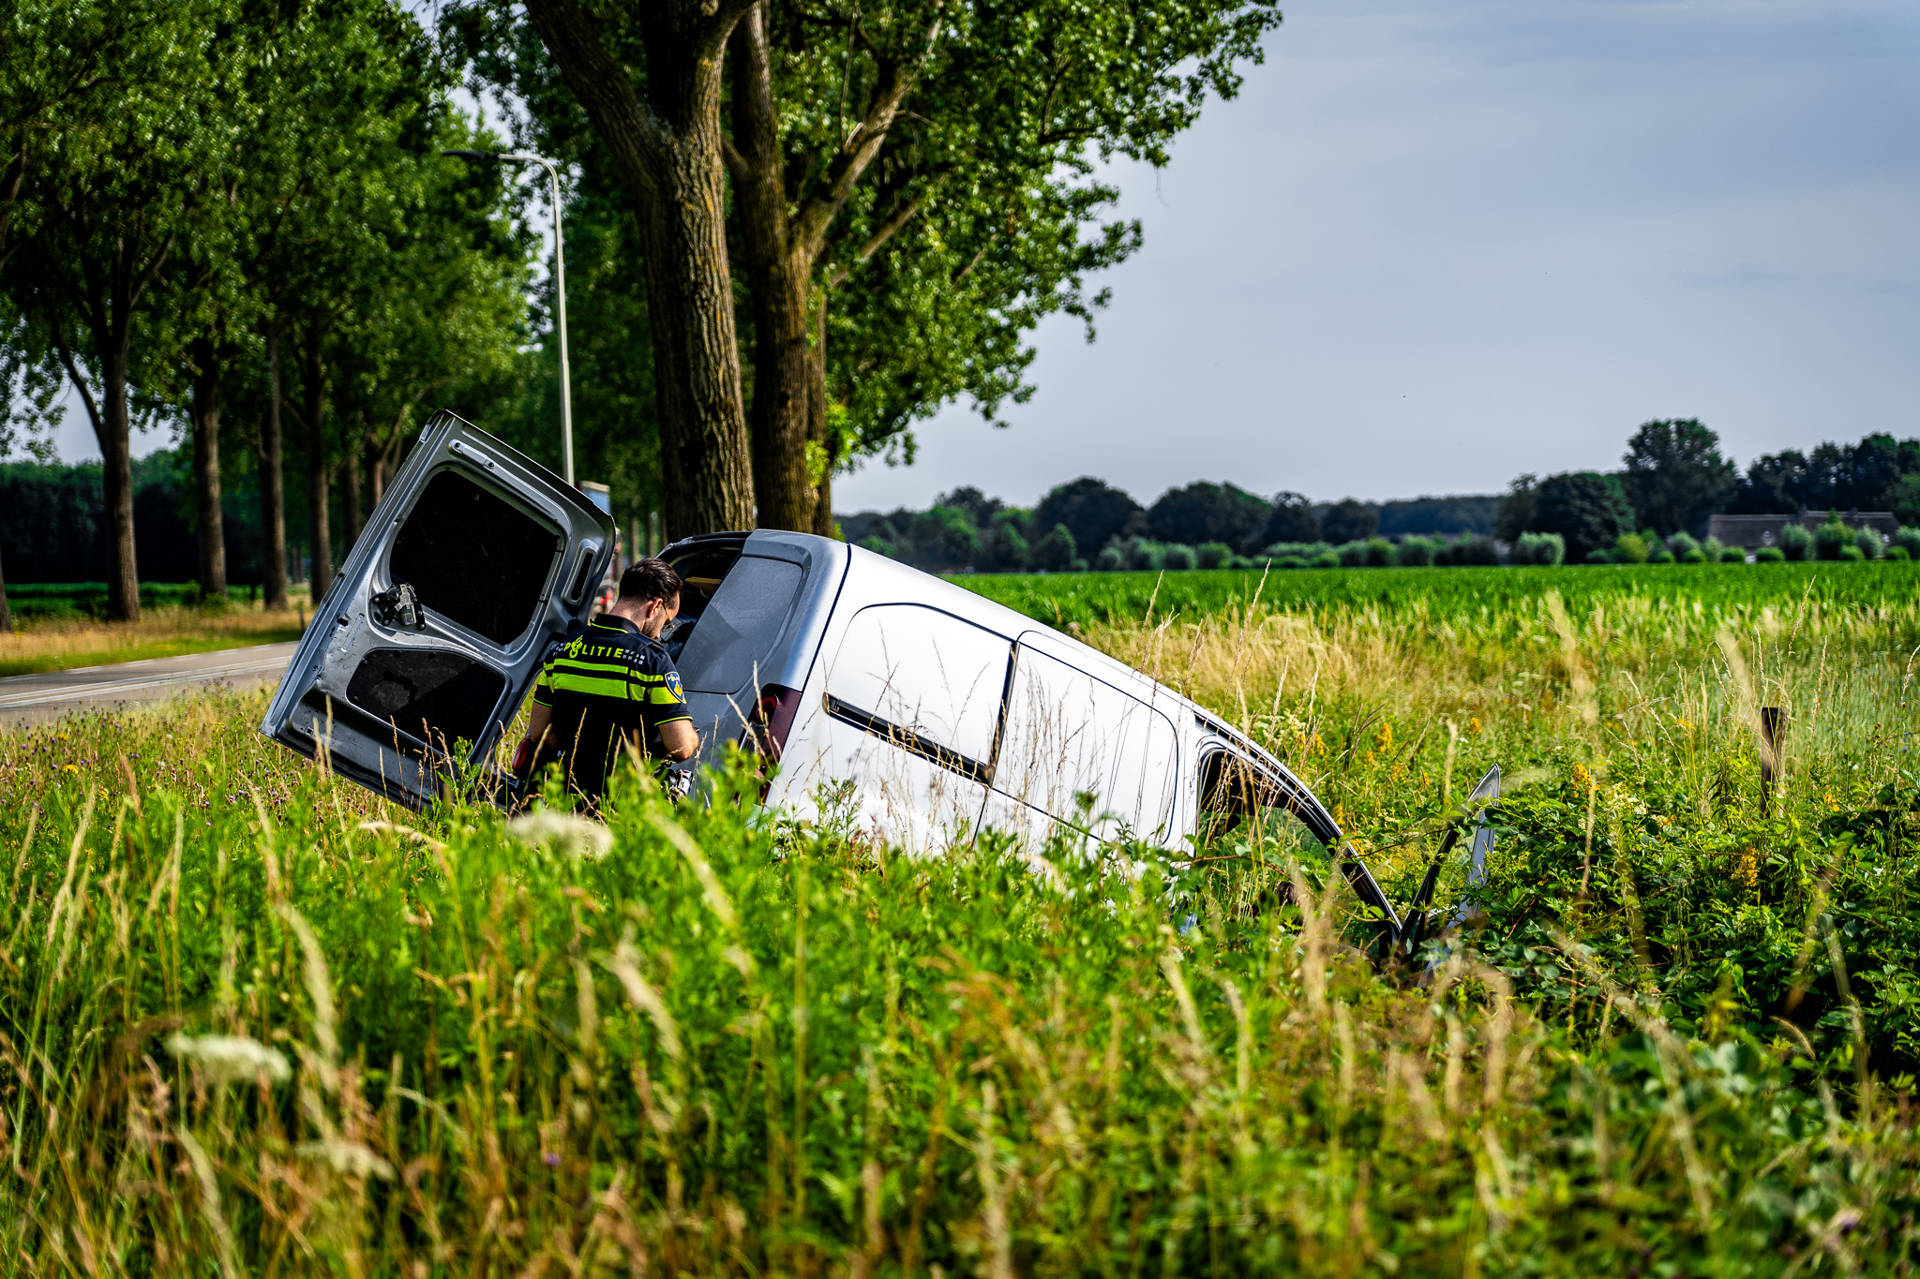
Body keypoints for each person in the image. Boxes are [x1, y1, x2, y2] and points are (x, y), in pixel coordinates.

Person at [511, 557, 699, 811]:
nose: (660, 633)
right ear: (655, 606)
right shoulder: (652, 661)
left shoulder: (563, 650)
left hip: (565, 800)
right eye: (667, 622)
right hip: (620, 808)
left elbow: (538, 732)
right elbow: (682, 748)